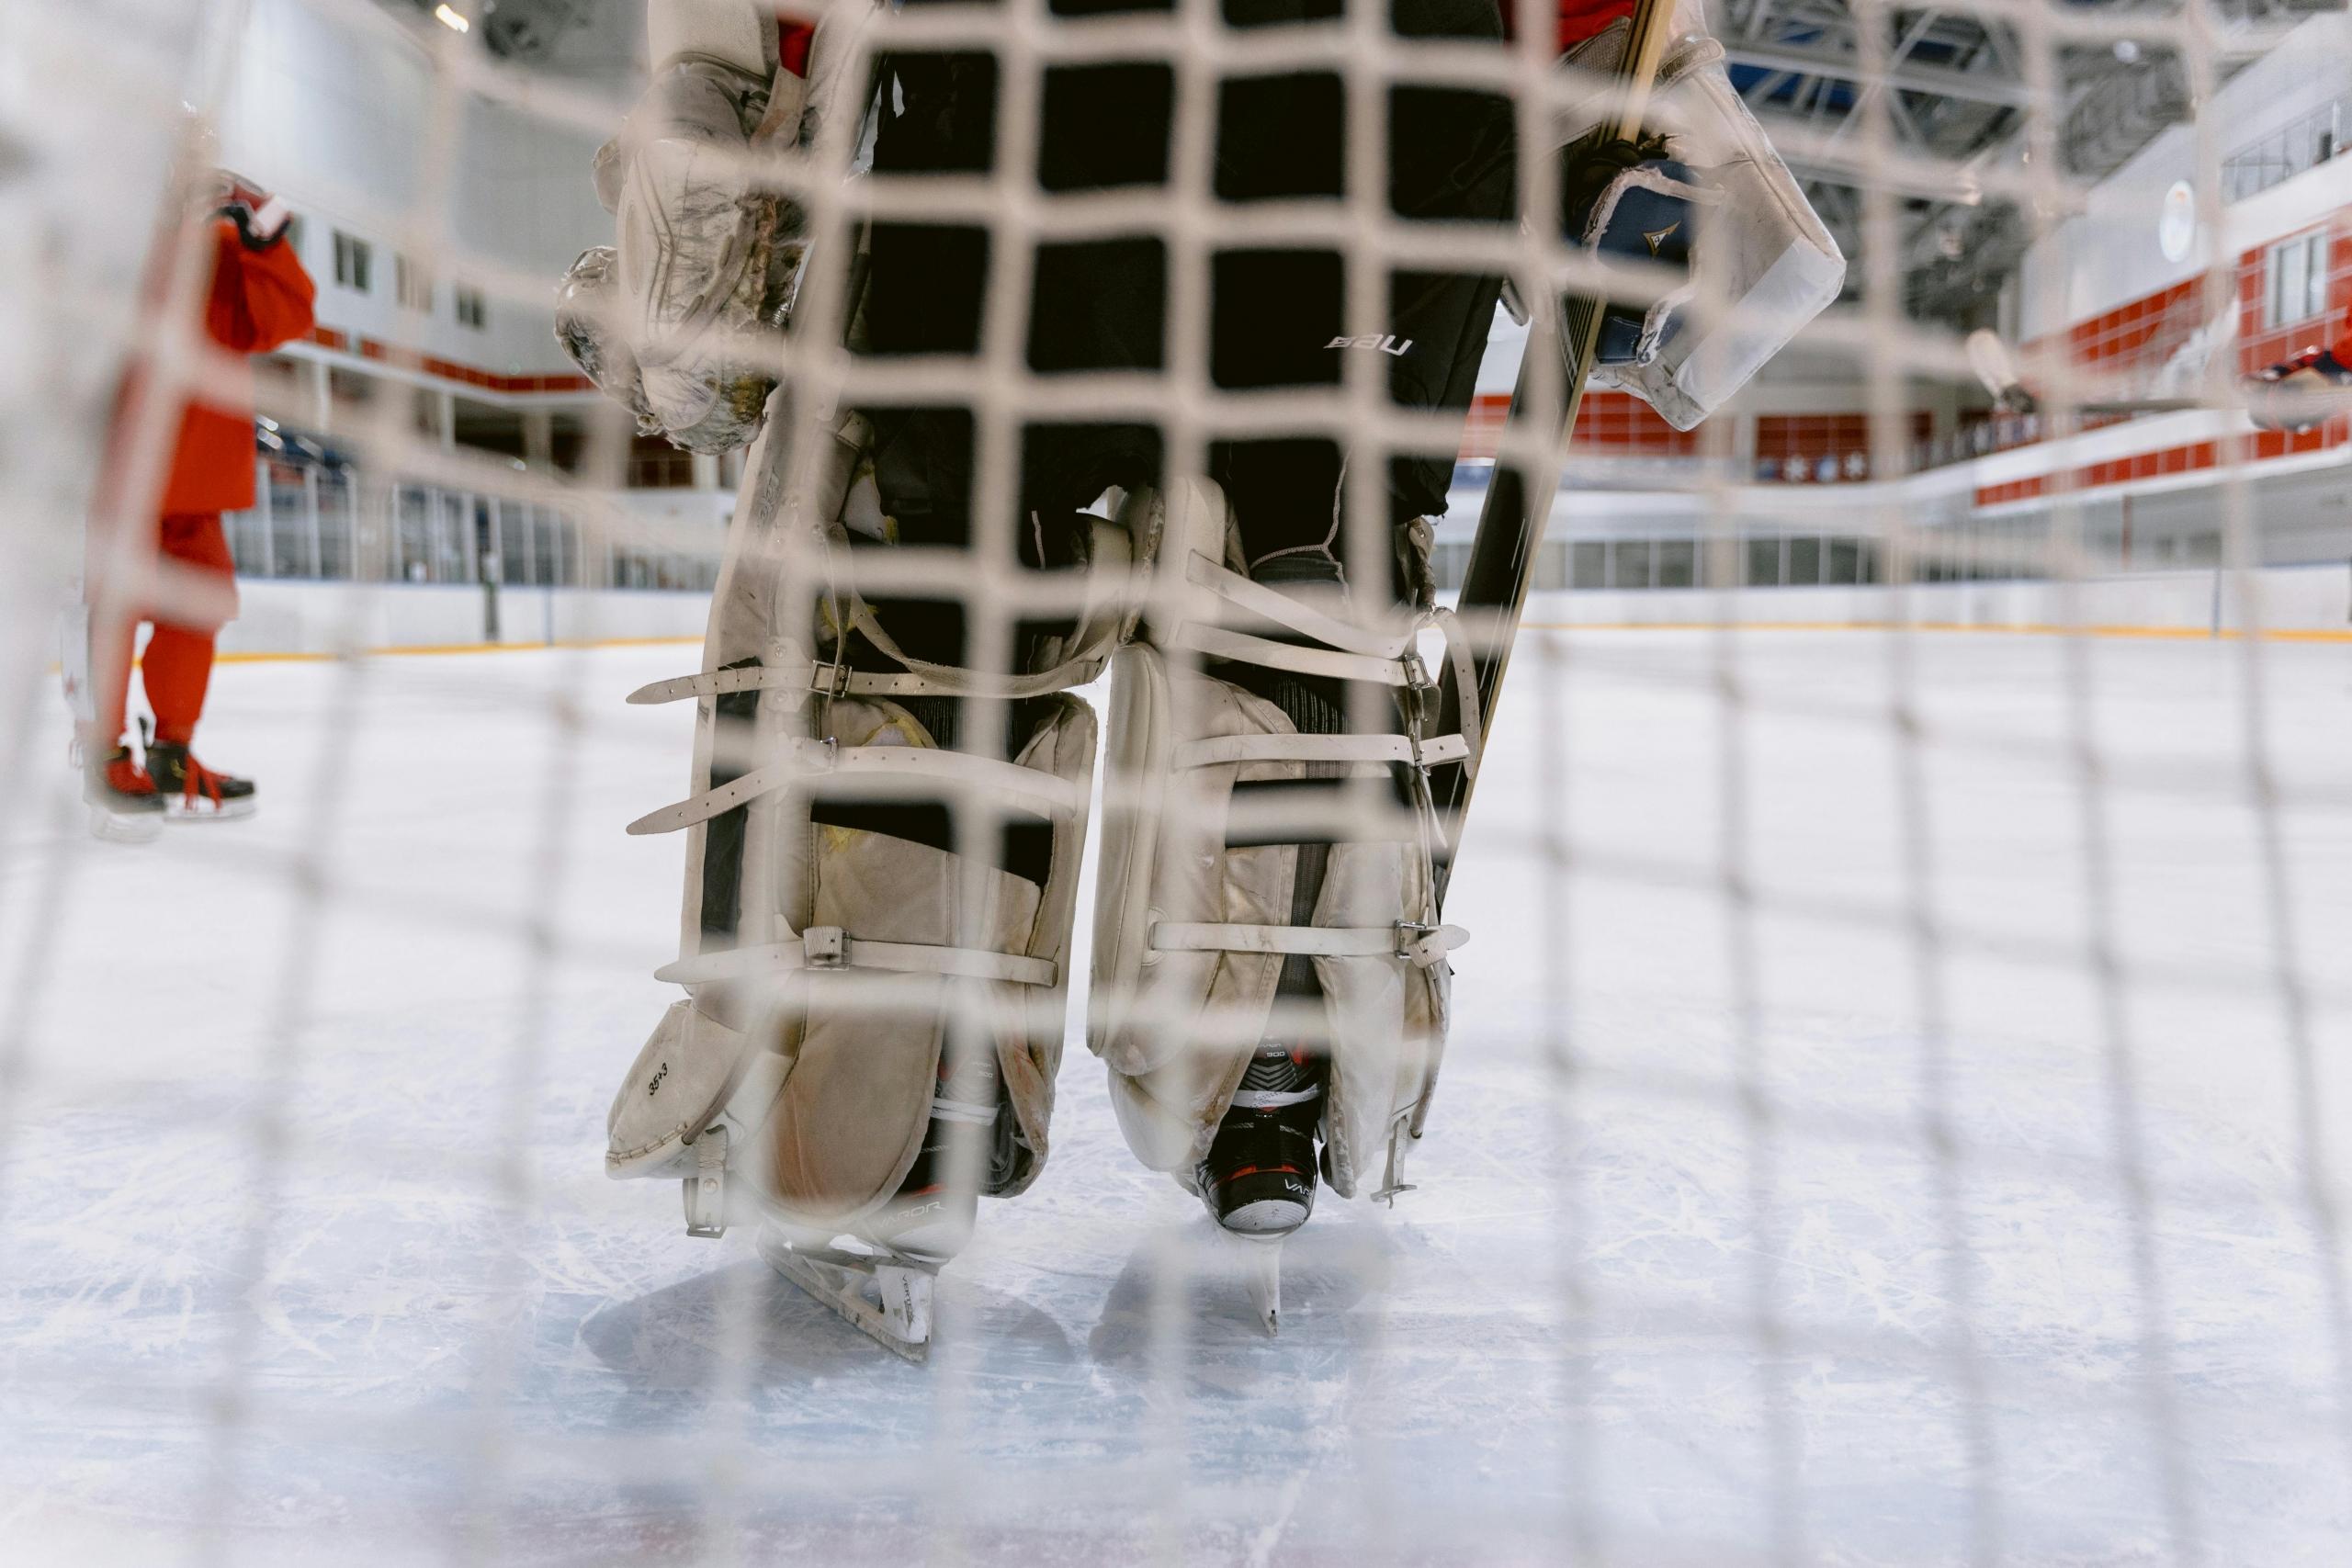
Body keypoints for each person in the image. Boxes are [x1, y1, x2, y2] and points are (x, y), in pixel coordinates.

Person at [562, 0, 1834, 1356]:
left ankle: (912, 1098)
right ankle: (1265, 1092)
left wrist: (729, 94)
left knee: (954, 558)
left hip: (1041, 69)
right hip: (1411, 81)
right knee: (1303, 574)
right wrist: (1660, 77)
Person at [84, 164, 316, 837]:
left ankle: (171, 759)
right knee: (109, 610)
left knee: (200, 605)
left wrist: (266, 240)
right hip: (112, 465)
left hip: (196, 470)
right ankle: (101, 756)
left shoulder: (218, 243)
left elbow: (282, 321)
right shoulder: (100, 234)